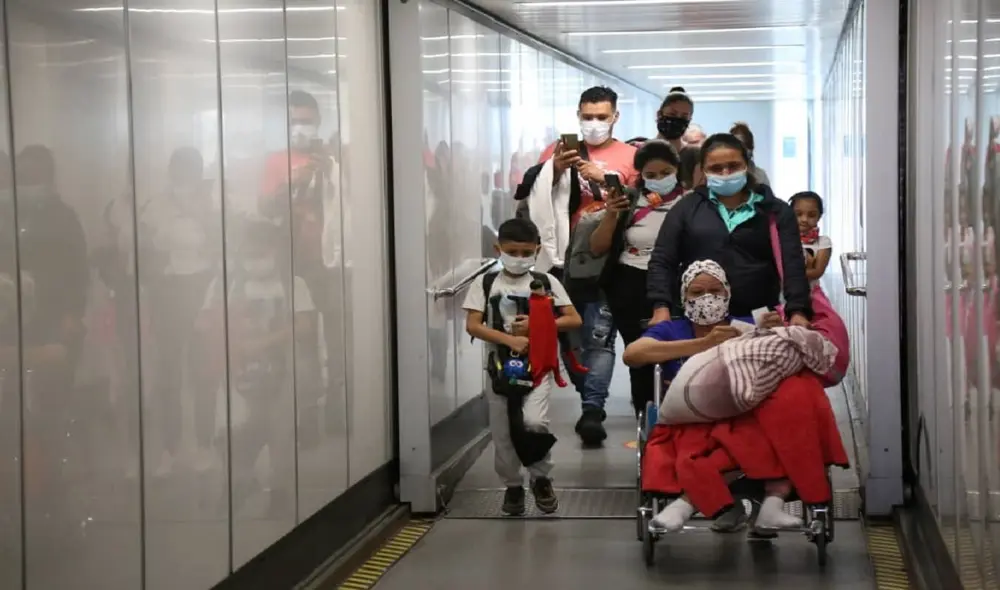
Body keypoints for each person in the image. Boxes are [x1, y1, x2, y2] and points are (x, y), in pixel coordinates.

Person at [624, 261, 797, 532]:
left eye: (716, 291)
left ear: (728, 294)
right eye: (697, 292)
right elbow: (633, 354)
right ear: (684, 297)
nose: (708, 298)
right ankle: (725, 503)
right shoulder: (671, 330)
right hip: (689, 417)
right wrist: (703, 345)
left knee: (760, 434)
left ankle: (694, 502)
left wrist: (775, 331)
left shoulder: (745, 324)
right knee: (699, 449)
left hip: (739, 413)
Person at [530, 86, 637, 444]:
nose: (593, 123)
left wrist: (602, 180)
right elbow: (534, 197)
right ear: (577, 114)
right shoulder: (557, 151)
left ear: (615, 117)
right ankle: (586, 390)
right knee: (566, 336)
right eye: (587, 116)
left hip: (607, 261)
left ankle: (593, 408)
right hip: (561, 261)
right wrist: (555, 172)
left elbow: (637, 207)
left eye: (601, 117)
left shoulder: (630, 157)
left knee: (599, 337)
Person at [463, 218, 582, 516]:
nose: (519, 258)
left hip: (539, 366)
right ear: (498, 248)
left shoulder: (547, 282)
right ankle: (513, 486)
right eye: (512, 251)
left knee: (534, 422)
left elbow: (573, 318)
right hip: (501, 369)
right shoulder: (486, 283)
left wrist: (539, 324)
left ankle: (541, 477)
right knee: (502, 432)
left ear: (537, 250)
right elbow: (473, 325)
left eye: (525, 252)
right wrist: (508, 339)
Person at [647, 133, 812, 328]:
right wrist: (660, 307)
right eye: (716, 168)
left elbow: (793, 264)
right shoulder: (686, 208)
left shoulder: (775, 211)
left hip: (760, 317)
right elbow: (663, 260)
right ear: (704, 171)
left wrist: (798, 311)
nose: (725, 173)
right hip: (699, 319)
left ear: (747, 166)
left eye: (733, 166)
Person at [585, 140, 686, 418]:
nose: (657, 180)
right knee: (640, 355)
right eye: (650, 175)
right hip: (629, 284)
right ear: (640, 174)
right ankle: (645, 417)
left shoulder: (690, 202)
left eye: (664, 173)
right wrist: (611, 214)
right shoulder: (629, 200)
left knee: (674, 351)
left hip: (676, 285)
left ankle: (676, 414)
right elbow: (597, 247)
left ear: (677, 170)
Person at [789, 191, 832, 285]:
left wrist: (785, 272)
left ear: (819, 216)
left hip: (811, 295)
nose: (804, 219)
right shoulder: (782, 239)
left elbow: (817, 272)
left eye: (811, 215)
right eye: (798, 214)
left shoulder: (823, 242)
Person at [654, 87, 695, 154]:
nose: (678, 119)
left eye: (684, 116)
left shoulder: (694, 155)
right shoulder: (641, 150)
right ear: (659, 114)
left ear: (689, 120)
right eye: (672, 114)